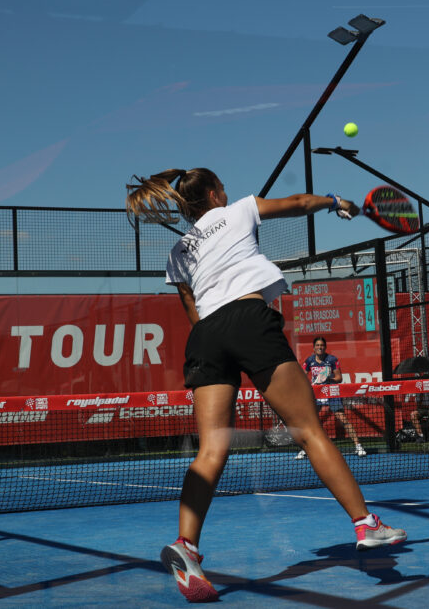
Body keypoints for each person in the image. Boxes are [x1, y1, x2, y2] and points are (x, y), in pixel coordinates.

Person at [127, 168, 406, 603]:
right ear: (217, 193)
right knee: (309, 429)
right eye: (224, 188)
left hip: (204, 338)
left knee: (211, 448)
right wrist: (336, 201)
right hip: (247, 320)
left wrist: (220, 346)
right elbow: (296, 204)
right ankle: (366, 524)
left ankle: (187, 545)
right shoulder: (238, 210)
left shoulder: (178, 251)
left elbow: (193, 311)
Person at [298, 336, 366, 458]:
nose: (320, 347)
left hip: (331, 391)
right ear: (314, 348)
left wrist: (327, 378)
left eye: (322, 345)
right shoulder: (309, 361)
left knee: (342, 418)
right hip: (317, 393)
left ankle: (358, 446)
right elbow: (302, 376)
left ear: (325, 347)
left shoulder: (332, 360)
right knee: (311, 421)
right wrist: (309, 385)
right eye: (318, 345)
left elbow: (339, 378)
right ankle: (305, 449)